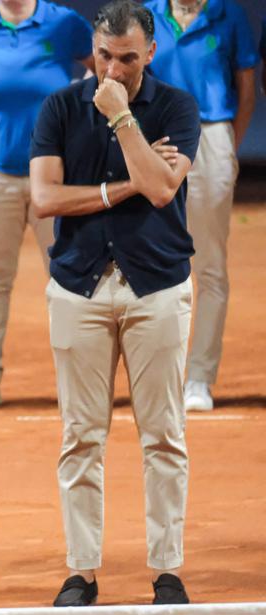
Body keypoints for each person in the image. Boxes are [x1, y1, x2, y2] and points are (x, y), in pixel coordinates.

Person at [28, 0, 200, 606]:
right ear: (92, 51)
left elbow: (161, 191)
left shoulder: (178, 107)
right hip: (79, 289)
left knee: (164, 436)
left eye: (128, 58)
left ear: (149, 53)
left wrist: (124, 122)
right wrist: (124, 184)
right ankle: (81, 571)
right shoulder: (57, 108)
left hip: (157, 288)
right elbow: (45, 198)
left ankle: (167, 571)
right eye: (104, 56)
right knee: (80, 437)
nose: (114, 69)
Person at [0, 0, 93, 410]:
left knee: (68, 277)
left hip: (58, 172)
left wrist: (78, 119)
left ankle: (78, 383)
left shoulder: (64, 24)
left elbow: (104, 67)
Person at [144, 0, 259, 412]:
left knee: (209, 265)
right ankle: (159, 375)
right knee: (156, 261)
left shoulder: (229, 14)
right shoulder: (148, 13)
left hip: (212, 136)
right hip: (159, 144)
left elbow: (246, 86)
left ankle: (199, 378)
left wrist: (227, 144)